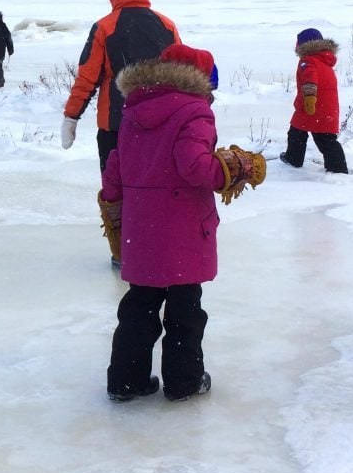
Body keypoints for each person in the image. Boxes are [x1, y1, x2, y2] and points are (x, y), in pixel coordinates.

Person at [100, 43, 264, 402]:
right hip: (183, 230)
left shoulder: (134, 109)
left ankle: (126, 382)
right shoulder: (195, 112)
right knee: (185, 310)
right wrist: (233, 167)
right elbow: (193, 165)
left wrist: (113, 204)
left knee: (139, 307)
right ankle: (183, 382)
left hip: (143, 229)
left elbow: (116, 164)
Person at [60, 0, 180, 263]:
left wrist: (71, 116)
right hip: (160, 124)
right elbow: (181, 72)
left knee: (117, 189)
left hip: (116, 126)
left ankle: (124, 252)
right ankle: (155, 246)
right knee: (155, 187)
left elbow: (88, 76)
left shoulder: (105, 26)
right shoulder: (166, 25)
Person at [279, 28, 348, 173]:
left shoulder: (308, 61)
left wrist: (310, 98)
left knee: (298, 134)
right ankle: (337, 168)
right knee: (325, 139)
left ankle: (294, 159)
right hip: (326, 107)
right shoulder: (325, 61)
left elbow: (309, 79)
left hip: (311, 106)